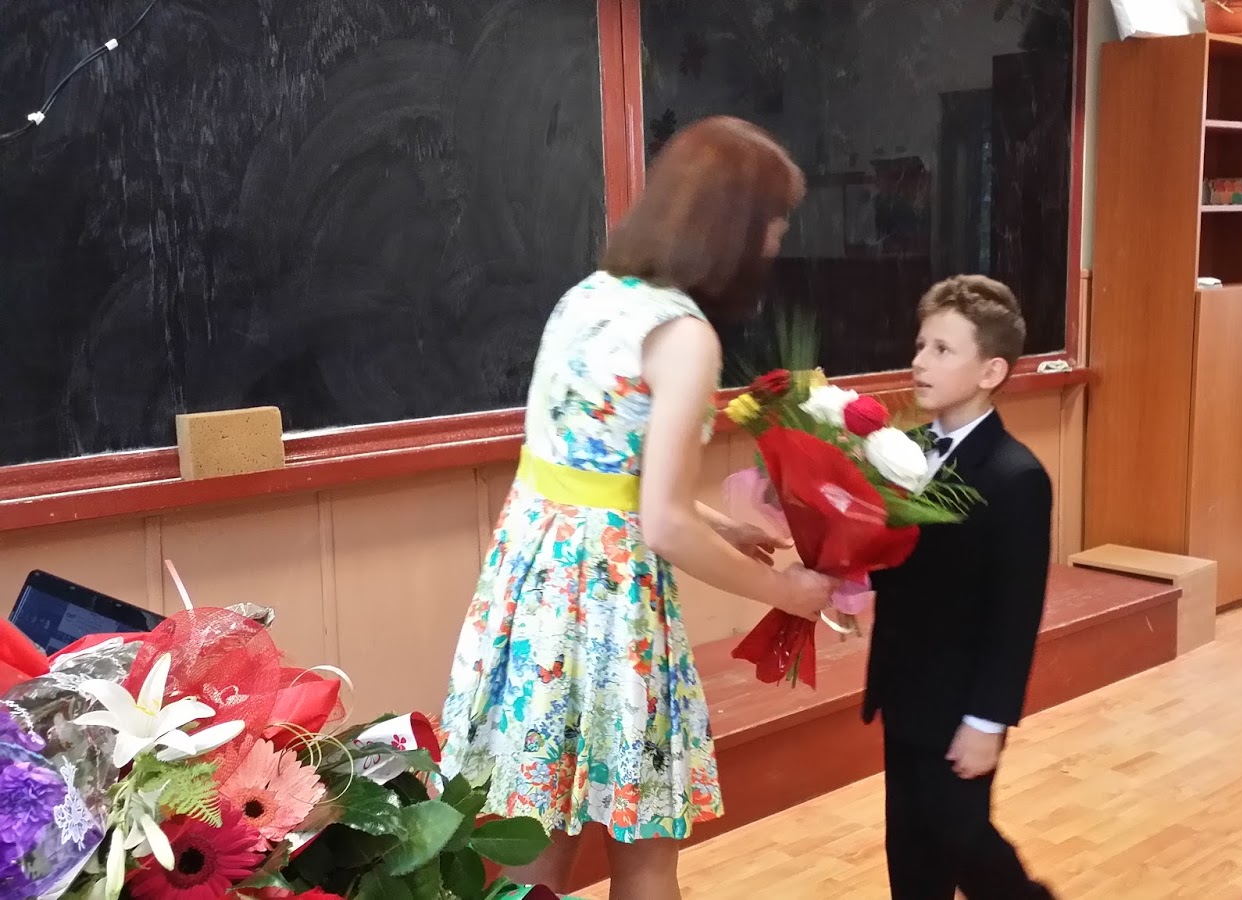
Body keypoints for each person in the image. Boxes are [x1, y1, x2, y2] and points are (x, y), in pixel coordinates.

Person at [436, 117, 836, 900]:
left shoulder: (588, 297)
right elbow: (663, 523)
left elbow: (596, 468)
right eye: (773, 219)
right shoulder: (683, 335)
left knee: (533, 840)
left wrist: (720, 522)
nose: (779, 238)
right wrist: (788, 592)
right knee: (646, 849)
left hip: (533, 588)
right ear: (733, 223)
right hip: (608, 604)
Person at [863, 274, 1056, 900]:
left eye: (942, 350)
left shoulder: (1015, 475)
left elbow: (1014, 616)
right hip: (904, 691)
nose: (919, 362)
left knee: (965, 843)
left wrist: (987, 721)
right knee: (909, 851)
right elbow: (894, 563)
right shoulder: (905, 452)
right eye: (920, 345)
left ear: (991, 371)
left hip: (960, 705)